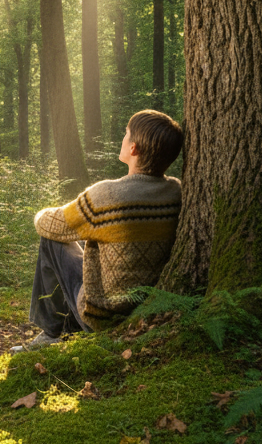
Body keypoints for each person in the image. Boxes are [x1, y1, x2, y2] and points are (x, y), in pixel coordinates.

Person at [16, 110, 183, 351]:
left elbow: (50, 224)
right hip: (145, 312)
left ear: (134, 148)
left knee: (52, 240)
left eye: (126, 135)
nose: (122, 139)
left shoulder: (107, 196)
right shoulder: (176, 191)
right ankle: (65, 328)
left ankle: (52, 333)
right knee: (86, 245)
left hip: (102, 318)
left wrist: (41, 212)